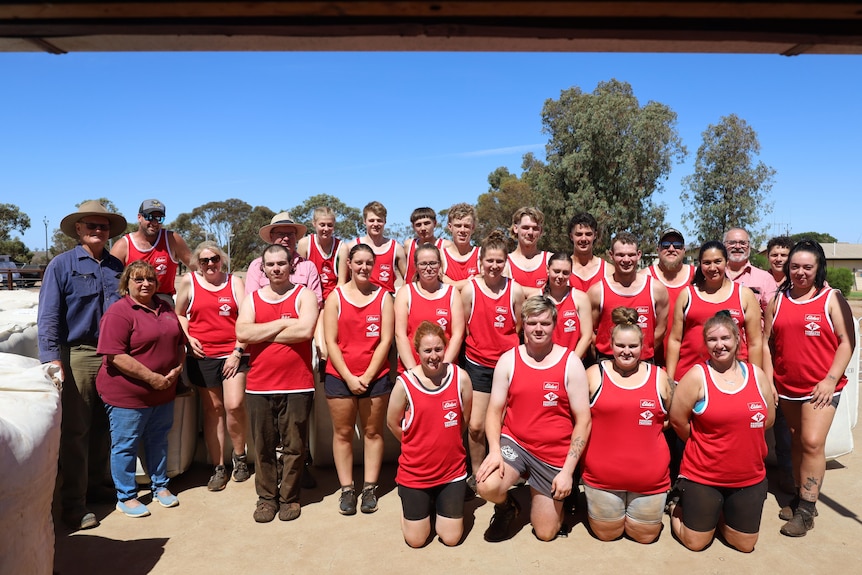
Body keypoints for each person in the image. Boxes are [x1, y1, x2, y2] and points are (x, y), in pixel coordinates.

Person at [38, 200, 127, 530]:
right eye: (91, 225)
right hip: (80, 353)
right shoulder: (61, 265)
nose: (98, 231)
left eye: (102, 226)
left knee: (106, 425)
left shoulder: (116, 266)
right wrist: (51, 359)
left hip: (114, 355)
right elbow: (48, 315)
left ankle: (96, 484)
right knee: (76, 430)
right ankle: (73, 504)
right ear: (78, 230)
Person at [476, 296, 591, 542]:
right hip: (515, 444)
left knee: (546, 533)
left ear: (554, 325)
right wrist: (495, 450)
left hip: (552, 453)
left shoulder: (570, 363)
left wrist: (568, 472)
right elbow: (494, 411)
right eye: (532, 323)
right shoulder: (509, 360)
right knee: (486, 485)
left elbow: (584, 420)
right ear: (523, 325)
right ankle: (508, 507)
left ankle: (556, 493)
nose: (538, 329)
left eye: (545, 323)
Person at [763, 239, 856, 537]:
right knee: (796, 443)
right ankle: (802, 496)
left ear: (818, 268)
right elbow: (766, 343)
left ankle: (806, 510)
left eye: (807, 267)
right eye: (795, 267)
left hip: (822, 389)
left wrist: (830, 379)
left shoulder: (832, 298)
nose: (800, 272)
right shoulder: (778, 300)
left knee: (813, 442)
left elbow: (847, 341)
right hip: (787, 387)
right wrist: (769, 379)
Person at [668, 311, 775, 552]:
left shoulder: (756, 375)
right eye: (712, 340)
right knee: (696, 543)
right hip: (703, 475)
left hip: (749, 476)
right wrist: (704, 443)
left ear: (738, 339)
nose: (719, 345)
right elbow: (678, 420)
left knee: (745, 545)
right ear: (705, 344)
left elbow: (767, 420)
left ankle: (718, 512)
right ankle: (678, 506)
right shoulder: (697, 376)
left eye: (725, 338)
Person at [235, 244, 319, 523]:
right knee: (263, 446)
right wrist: (284, 325)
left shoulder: (304, 295)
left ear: (291, 266)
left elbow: (306, 331)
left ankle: (290, 498)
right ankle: (267, 498)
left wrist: (261, 333)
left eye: (281, 263)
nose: (276, 269)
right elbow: (242, 331)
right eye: (270, 265)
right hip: (259, 385)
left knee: (295, 446)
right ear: (263, 268)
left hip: (297, 384)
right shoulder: (253, 299)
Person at [96, 261, 186, 518]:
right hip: (128, 395)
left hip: (163, 392)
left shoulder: (165, 307)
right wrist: (151, 378)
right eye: (138, 279)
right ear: (127, 284)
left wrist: (177, 370)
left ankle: (160, 487)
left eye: (150, 279)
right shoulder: (119, 312)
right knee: (126, 445)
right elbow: (115, 355)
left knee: (158, 440)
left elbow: (180, 343)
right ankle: (126, 496)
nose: (145, 284)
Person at [582, 307, 672, 543]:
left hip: (650, 479)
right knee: (607, 535)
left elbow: (672, 418)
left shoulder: (660, 377)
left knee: (645, 537)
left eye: (633, 346)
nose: (626, 351)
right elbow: (578, 422)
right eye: (620, 345)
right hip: (602, 477)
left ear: (643, 347)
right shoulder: (593, 375)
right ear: (611, 345)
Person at [387, 321, 473, 547]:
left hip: (451, 471)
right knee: (416, 541)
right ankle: (414, 508)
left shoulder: (460, 377)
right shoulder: (405, 383)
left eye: (438, 349)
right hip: (416, 473)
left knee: (451, 538)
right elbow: (392, 423)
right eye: (427, 351)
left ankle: (437, 504)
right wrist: (415, 444)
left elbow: (463, 421)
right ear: (417, 352)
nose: (433, 356)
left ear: (445, 348)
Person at [324, 243, 395, 515]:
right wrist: (349, 377)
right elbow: (330, 340)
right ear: (349, 264)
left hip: (375, 377)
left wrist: (366, 376)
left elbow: (386, 340)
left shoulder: (384, 297)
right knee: (342, 433)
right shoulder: (336, 297)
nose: (364, 267)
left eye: (369, 262)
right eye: (359, 262)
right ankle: (346, 490)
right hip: (340, 377)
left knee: (373, 433)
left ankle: (369, 489)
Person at [175, 241, 250, 491]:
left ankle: (240, 457)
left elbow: (247, 317)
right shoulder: (189, 282)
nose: (210, 264)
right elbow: (179, 313)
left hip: (233, 354)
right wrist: (188, 338)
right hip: (203, 356)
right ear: (198, 262)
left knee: (234, 404)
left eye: (215, 259)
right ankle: (218, 467)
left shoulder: (235, 282)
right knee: (213, 410)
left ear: (222, 260)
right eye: (205, 260)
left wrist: (238, 351)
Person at [460, 230, 527, 486]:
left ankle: (512, 470)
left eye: (499, 261)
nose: (494, 266)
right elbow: (465, 326)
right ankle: (477, 474)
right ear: (481, 262)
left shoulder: (515, 290)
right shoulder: (470, 290)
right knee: (476, 426)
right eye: (490, 261)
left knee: (509, 424)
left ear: (506, 262)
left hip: (508, 367)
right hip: (478, 366)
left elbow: (518, 328)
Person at [666, 241, 763, 385]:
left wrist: (755, 380)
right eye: (706, 263)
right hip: (688, 378)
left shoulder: (744, 295)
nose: (712, 268)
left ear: (726, 262)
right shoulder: (687, 295)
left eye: (718, 261)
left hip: (734, 379)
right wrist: (669, 379)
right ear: (700, 264)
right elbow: (675, 340)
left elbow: (754, 343)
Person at [588, 232, 668, 363]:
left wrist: (639, 352)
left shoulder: (656, 289)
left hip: (644, 360)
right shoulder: (597, 291)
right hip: (607, 360)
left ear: (639, 255)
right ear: (611, 255)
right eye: (620, 255)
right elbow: (589, 331)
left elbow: (660, 330)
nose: (626, 260)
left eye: (631, 254)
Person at [394, 243, 464, 370]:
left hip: (444, 369)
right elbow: (400, 335)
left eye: (433, 263)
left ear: (440, 265)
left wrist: (443, 367)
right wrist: (413, 371)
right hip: (412, 368)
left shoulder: (452, 293)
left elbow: (457, 334)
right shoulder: (405, 293)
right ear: (416, 266)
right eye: (423, 264)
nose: (428, 268)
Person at [764, 235, 796, 494]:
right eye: (775, 254)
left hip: (791, 359)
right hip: (767, 356)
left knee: (790, 427)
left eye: (784, 255)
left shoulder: (802, 282)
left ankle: (790, 477)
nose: (779, 259)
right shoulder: (761, 281)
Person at [110, 199, 192, 299]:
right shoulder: (123, 245)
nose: (154, 222)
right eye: (149, 217)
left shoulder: (172, 240)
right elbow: (110, 282)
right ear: (139, 217)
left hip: (163, 300)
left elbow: (197, 267)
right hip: (134, 300)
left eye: (159, 218)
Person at [245, 211, 323, 306]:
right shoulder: (256, 266)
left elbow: (316, 302)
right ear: (271, 236)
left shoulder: (308, 266)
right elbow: (251, 303)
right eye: (280, 234)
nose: (286, 238)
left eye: (290, 234)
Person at [644, 228, 695, 366]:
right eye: (666, 245)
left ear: (684, 250)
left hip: (689, 361)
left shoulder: (698, 276)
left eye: (677, 245)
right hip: (652, 360)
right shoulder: (644, 277)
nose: (671, 249)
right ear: (658, 249)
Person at [340, 201, 406, 294]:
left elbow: (407, 279)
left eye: (379, 220)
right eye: (371, 220)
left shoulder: (396, 248)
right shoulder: (351, 247)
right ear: (364, 221)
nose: (375, 224)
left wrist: (399, 298)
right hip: (358, 299)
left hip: (386, 300)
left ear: (385, 221)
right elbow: (342, 282)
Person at [544, 252, 592, 359]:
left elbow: (587, 336)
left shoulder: (580, 298)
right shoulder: (537, 297)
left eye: (565, 273)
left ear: (571, 273)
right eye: (556, 271)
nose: (560, 276)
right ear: (547, 269)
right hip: (544, 361)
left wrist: (571, 362)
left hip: (573, 361)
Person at [296, 205, 343, 302]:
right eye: (322, 225)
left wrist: (330, 303)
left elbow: (341, 283)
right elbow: (300, 278)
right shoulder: (305, 244)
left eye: (330, 225)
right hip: (310, 299)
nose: (326, 229)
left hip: (333, 299)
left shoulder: (341, 248)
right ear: (314, 223)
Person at [723, 227, 775, 312]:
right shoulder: (713, 275)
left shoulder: (765, 279)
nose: (737, 246)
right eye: (732, 243)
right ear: (724, 245)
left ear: (749, 246)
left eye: (743, 243)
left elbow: (772, 314)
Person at [506, 207, 549, 293]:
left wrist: (517, 289)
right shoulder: (505, 263)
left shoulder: (550, 259)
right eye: (525, 228)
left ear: (540, 231)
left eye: (535, 228)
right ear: (515, 229)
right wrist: (540, 291)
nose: (530, 233)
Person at [440, 202, 481, 287]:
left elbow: (484, 279)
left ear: (472, 228)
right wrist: (471, 282)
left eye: (466, 226)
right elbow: (440, 283)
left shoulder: (481, 254)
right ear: (450, 227)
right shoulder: (440, 256)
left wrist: (452, 284)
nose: (462, 230)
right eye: (458, 226)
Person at [403, 207, 448, 284]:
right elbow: (405, 274)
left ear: (435, 223)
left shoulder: (445, 246)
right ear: (413, 227)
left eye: (427, 223)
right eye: (418, 225)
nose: (423, 228)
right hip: (411, 292)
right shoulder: (408, 245)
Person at [568, 212, 608, 293]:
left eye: (588, 234)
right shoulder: (562, 268)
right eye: (579, 234)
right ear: (571, 236)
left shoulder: (608, 270)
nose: (583, 239)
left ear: (595, 235)